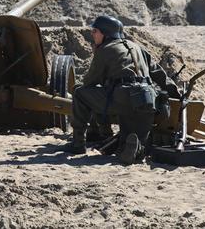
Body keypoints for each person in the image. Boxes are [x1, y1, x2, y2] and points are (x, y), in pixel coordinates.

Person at [63, 15, 173, 165]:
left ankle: (78, 144)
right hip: (148, 101)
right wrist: (177, 94)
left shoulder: (105, 50)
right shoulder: (137, 47)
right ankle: (133, 149)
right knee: (133, 140)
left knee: (81, 93)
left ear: (105, 33)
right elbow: (159, 74)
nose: (92, 34)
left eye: (95, 31)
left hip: (124, 98)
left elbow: (89, 82)